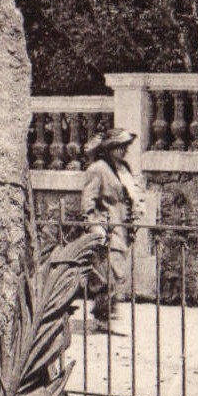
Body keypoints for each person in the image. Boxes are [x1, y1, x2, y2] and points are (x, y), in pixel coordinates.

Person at [81, 128, 146, 330]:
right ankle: (104, 317)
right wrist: (94, 227)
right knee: (108, 273)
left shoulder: (123, 168)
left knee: (116, 272)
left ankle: (106, 315)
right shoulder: (98, 169)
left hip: (122, 227)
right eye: (120, 146)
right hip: (106, 227)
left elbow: (130, 193)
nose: (124, 150)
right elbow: (88, 202)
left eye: (125, 146)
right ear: (109, 148)